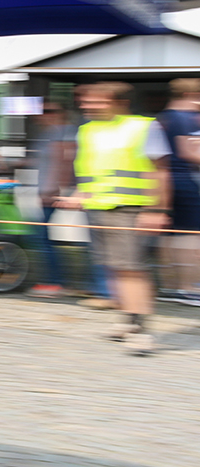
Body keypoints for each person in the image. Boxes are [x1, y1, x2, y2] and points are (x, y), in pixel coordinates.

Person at [57, 82, 171, 355]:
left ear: (119, 102)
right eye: (85, 101)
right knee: (115, 267)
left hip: (130, 208)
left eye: (97, 101)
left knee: (132, 270)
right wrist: (78, 195)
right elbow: (90, 172)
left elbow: (160, 171)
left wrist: (157, 210)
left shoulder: (144, 127)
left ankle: (143, 332)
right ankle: (128, 321)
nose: (86, 106)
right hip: (98, 208)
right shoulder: (87, 130)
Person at [155, 78, 200, 306]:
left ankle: (170, 286)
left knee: (170, 235)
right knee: (191, 235)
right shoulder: (183, 118)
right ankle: (189, 288)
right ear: (190, 94)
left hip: (171, 182)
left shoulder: (167, 116)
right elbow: (188, 152)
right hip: (183, 181)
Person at [26, 103, 76, 299]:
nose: (41, 115)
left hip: (54, 191)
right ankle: (58, 281)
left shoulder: (62, 132)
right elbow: (41, 161)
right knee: (42, 236)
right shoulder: (48, 133)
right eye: (40, 111)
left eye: (47, 111)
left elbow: (62, 162)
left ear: (60, 113)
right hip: (48, 190)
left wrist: (53, 190)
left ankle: (55, 282)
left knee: (41, 236)